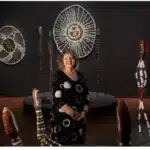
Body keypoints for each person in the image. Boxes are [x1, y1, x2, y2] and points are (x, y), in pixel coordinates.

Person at [48, 50, 90, 145]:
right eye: (66, 58)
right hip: (62, 118)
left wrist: (84, 112)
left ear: (75, 60)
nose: (69, 60)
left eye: (71, 58)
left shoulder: (80, 76)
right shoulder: (58, 76)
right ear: (62, 61)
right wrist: (74, 114)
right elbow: (57, 99)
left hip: (80, 118)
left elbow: (86, 96)